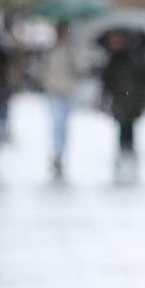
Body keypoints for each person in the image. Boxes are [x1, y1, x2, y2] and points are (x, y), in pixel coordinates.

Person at [100, 29, 145, 183]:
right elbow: (107, 82)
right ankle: (124, 156)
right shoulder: (112, 59)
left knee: (128, 128)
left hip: (132, 100)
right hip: (120, 100)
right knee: (123, 128)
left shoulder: (136, 58)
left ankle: (128, 156)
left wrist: (143, 98)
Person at [37, 21, 81, 181]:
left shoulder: (70, 50)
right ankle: (56, 153)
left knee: (63, 124)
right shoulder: (50, 51)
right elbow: (42, 68)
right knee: (56, 122)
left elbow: (79, 67)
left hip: (67, 90)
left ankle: (61, 152)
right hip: (53, 90)